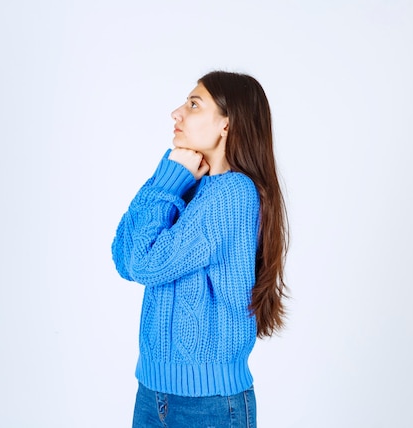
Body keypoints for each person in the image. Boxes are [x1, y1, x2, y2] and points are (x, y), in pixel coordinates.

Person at [111, 70, 288, 427]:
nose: (177, 113)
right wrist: (172, 178)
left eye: (194, 104)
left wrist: (169, 180)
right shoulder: (192, 187)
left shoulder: (232, 194)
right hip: (153, 392)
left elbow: (143, 262)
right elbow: (124, 256)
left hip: (207, 405)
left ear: (227, 123)